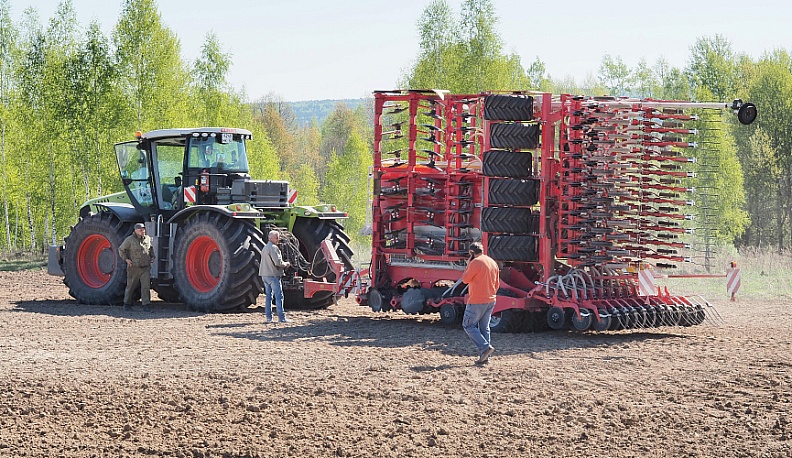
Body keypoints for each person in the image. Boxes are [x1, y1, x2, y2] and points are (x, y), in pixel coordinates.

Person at [460, 242, 500, 365]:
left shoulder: (475, 263)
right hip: (491, 299)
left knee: (468, 325)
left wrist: (468, 265)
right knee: (484, 328)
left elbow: (465, 279)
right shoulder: (492, 262)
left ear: (471, 253)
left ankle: (485, 348)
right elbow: (497, 284)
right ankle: (485, 357)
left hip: (477, 300)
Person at [119, 223, 155, 311]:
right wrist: (126, 259)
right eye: (140, 230)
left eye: (143, 229)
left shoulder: (147, 238)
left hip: (145, 267)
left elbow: (150, 248)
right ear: (135, 230)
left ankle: (146, 305)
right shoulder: (129, 240)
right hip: (134, 267)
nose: (143, 231)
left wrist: (152, 256)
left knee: (145, 287)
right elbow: (121, 249)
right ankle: (127, 303)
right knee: (131, 286)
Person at [259, 230, 291, 323]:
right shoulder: (273, 248)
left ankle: (269, 318)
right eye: (276, 237)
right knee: (279, 296)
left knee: (268, 296)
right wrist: (286, 264)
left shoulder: (265, 247)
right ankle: (282, 318)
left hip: (264, 275)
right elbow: (278, 262)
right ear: (271, 238)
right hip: (273, 275)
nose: (278, 239)